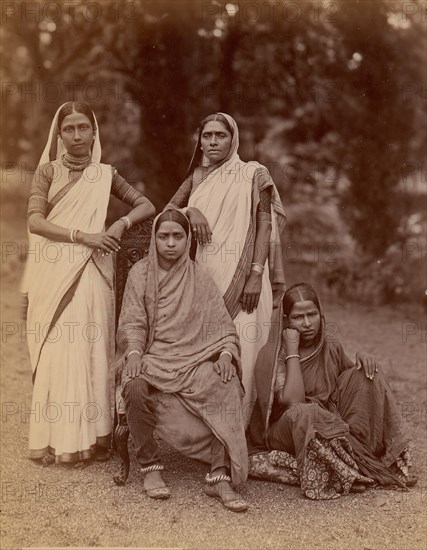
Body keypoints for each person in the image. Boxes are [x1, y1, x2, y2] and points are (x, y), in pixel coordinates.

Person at [23, 101, 156, 465]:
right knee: (57, 349)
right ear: (60, 134)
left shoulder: (104, 174)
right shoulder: (48, 172)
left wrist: (118, 225)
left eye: (84, 127)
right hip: (56, 269)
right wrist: (84, 236)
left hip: (93, 274)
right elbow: (35, 222)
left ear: (94, 132)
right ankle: (59, 439)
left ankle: (93, 438)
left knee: (89, 351)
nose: (77, 135)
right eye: (69, 129)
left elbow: (146, 205)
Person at [115, 210, 249, 512]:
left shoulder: (199, 277)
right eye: (164, 237)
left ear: (188, 239)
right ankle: (150, 467)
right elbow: (133, 321)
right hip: (153, 356)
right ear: (155, 239)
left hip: (193, 359)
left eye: (178, 236)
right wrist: (134, 352)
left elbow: (223, 325)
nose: (171, 243)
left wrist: (226, 354)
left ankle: (218, 475)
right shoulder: (140, 273)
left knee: (226, 381)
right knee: (134, 384)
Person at [165, 113, 286, 425]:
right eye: (207, 136)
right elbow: (166, 213)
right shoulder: (197, 178)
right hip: (207, 280)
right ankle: (210, 435)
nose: (213, 142)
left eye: (220, 135)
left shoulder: (253, 173)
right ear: (200, 140)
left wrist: (256, 275)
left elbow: (264, 225)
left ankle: (244, 433)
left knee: (244, 348)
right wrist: (190, 210)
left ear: (234, 139)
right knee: (210, 352)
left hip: (248, 279)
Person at [247, 282, 416, 499]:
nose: (307, 323)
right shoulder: (273, 355)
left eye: (312, 314)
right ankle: (353, 468)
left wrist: (363, 357)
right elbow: (294, 401)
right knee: (306, 412)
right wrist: (292, 351)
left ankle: (370, 461)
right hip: (289, 429)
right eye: (299, 317)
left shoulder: (328, 345)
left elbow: (349, 382)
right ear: (286, 320)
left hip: (328, 423)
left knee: (368, 376)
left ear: (320, 314)